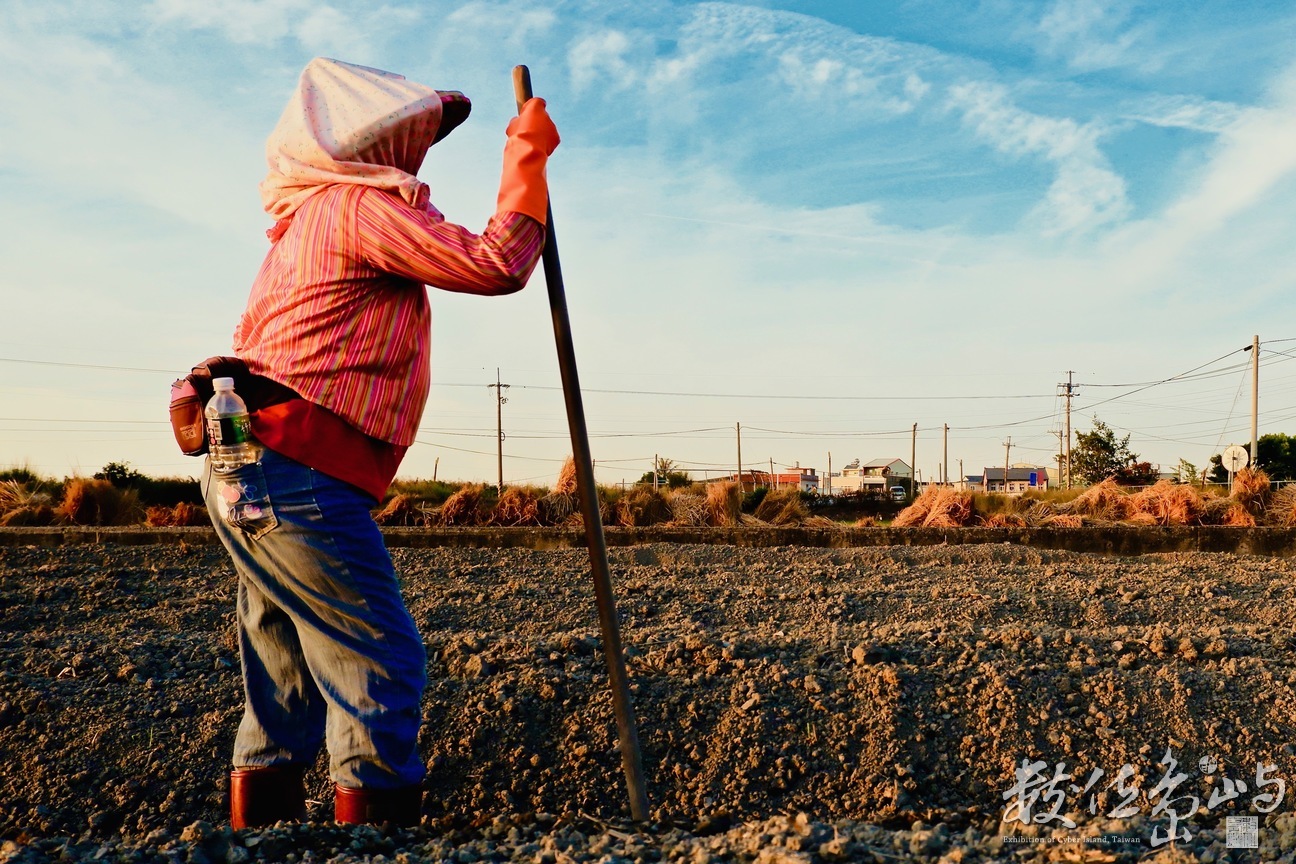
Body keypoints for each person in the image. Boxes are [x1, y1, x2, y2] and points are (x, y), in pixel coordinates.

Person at [202, 57, 559, 829]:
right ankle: (372, 840)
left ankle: (258, 837)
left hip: (245, 465)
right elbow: (498, 262)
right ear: (361, 145)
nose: (416, 152)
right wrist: (525, 159)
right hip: (301, 468)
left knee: (282, 668)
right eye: (406, 136)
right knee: (379, 659)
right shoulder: (356, 208)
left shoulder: (298, 227)